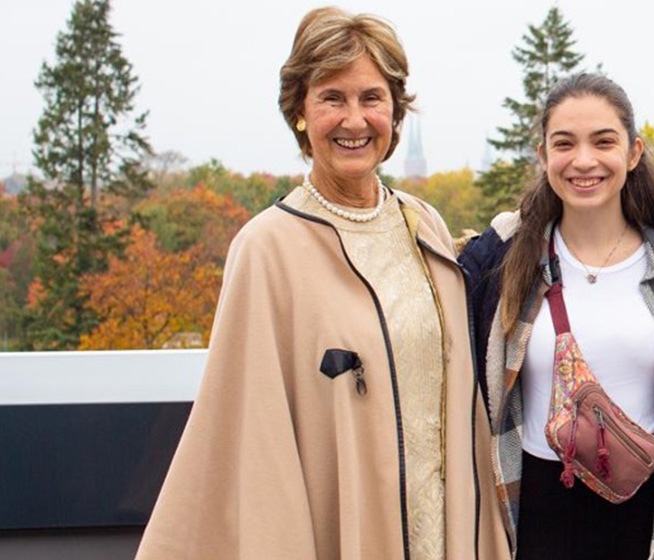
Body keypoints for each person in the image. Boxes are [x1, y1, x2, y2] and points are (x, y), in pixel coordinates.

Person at [135, 7, 507, 560]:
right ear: (301, 113)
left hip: (444, 534)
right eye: (332, 98)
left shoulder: (422, 224)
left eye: (371, 98)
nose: (354, 120)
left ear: (395, 113)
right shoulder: (267, 249)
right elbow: (248, 436)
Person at [460, 73, 654, 560]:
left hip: (646, 516)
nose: (583, 161)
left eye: (604, 142)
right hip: (535, 511)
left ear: (634, 152)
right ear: (543, 157)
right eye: (564, 144)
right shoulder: (501, 260)